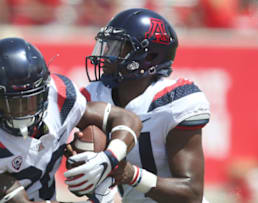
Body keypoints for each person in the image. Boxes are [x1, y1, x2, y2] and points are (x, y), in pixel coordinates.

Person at [0, 37, 142, 203]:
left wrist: (108, 158)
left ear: (44, 92)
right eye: (13, 104)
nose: (23, 112)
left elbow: (127, 118)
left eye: (30, 100)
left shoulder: (59, 96)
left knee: (96, 135)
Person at [80, 8, 211, 203]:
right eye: (106, 45)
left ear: (149, 57)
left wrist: (131, 174)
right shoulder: (94, 94)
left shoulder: (174, 101)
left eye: (117, 47)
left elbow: (191, 193)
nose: (106, 54)